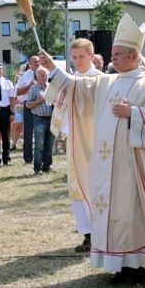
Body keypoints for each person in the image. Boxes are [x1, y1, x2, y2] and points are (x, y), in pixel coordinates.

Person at [39, 13, 145, 284]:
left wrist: (133, 113)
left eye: (119, 54)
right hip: (109, 166)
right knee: (118, 215)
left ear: (134, 56)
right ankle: (125, 265)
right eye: (112, 53)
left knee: (139, 215)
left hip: (139, 167)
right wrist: (53, 67)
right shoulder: (107, 81)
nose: (113, 58)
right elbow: (75, 87)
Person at [50, 38, 102, 253]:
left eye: (82, 56)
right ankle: (88, 234)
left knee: (96, 186)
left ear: (92, 56)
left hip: (96, 142)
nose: (78, 60)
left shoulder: (102, 81)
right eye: (74, 57)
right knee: (77, 188)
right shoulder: (72, 79)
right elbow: (58, 100)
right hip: (74, 142)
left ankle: (102, 232)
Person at [27, 67, 55, 175]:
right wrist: (42, 99)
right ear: (37, 77)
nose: (45, 77)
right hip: (39, 119)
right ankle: (37, 168)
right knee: (39, 145)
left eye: (46, 75)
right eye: (42, 76)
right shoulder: (33, 89)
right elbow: (28, 104)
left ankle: (47, 166)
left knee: (49, 144)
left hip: (51, 119)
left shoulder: (51, 88)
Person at [15, 56, 40, 164]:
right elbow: (18, 92)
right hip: (29, 105)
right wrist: (29, 86)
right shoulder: (24, 76)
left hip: (41, 105)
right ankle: (28, 157)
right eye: (35, 62)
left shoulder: (44, 74)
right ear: (30, 64)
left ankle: (41, 156)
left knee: (41, 131)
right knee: (28, 132)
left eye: (39, 62)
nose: (37, 63)